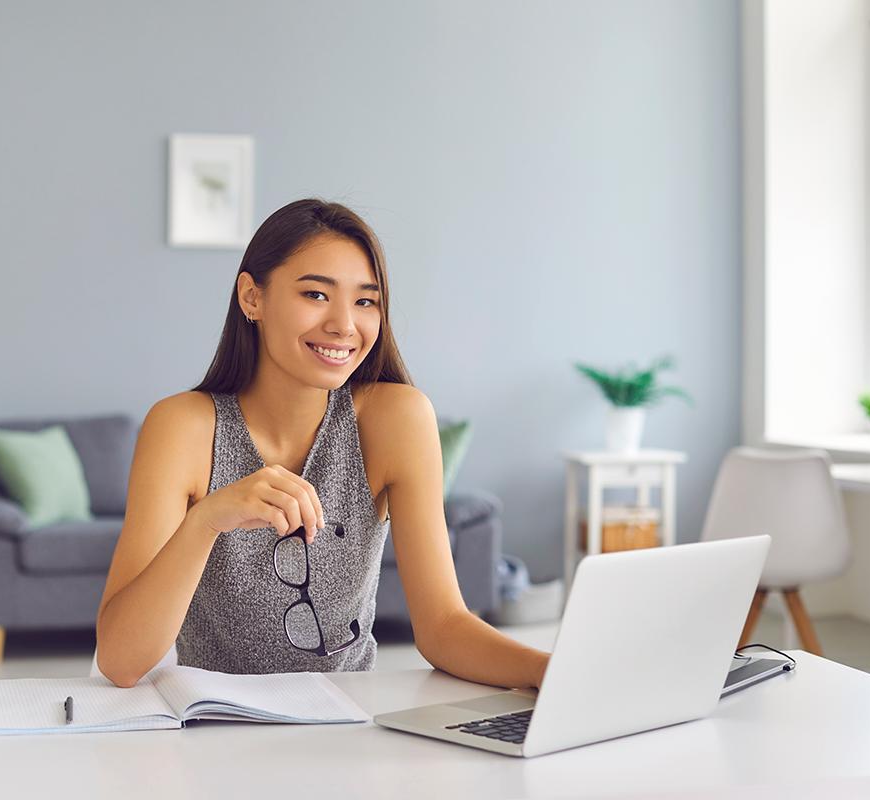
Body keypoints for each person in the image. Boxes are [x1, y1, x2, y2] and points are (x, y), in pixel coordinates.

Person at [96, 198, 551, 689]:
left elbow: (443, 629)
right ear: (252, 297)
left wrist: (553, 673)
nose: (344, 325)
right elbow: (121, 661)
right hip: (214, 734)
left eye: (365, 301)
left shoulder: (397, 418)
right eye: (316, 295)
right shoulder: (182, 426)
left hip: (347, 729)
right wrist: (207, 520)